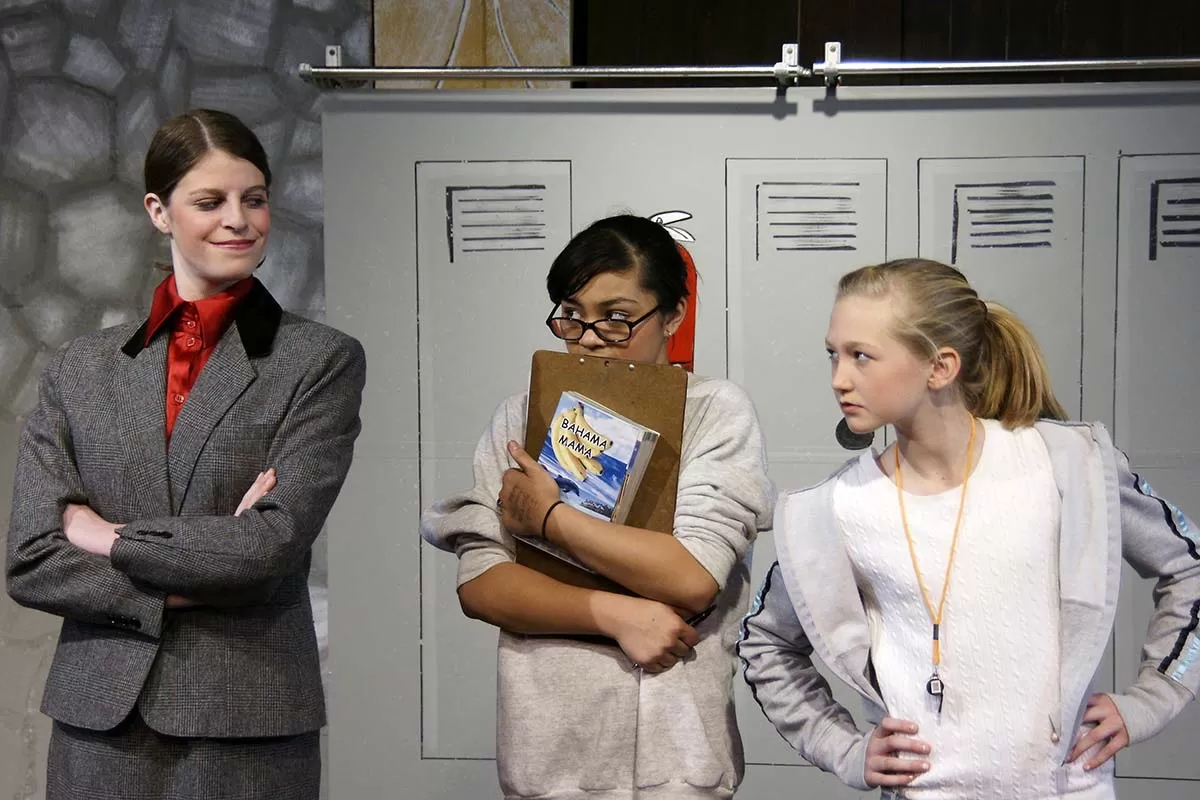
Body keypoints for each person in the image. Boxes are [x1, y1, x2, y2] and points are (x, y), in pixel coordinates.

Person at [738, 258, 1199, 799]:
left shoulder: (1065, 465)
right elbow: (765, 642)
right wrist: (842, 747)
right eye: (833, 354)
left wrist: (1154, 698)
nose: (840, 378)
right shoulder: (835, 508)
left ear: (940, 367)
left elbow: (1190, 568)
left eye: (861, 356)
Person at [6, 108, 366, 800]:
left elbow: (266, 549)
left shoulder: (319, 361)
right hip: (98, 722)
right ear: (159, 212)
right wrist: (209, 567)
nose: (239, 220)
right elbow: (33, 561)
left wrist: (106, 538)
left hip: (247, 720)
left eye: (254, 199)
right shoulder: (79, 369)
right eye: (210, 201)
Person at [421, 214, 773, 800]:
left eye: (616, 317)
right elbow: (483, 585)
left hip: (679, 759)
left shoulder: (715, 411)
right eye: (572, 314)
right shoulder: (520, 417)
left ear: (673, 316)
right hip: (548, 756)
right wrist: (616, 615)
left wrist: (550, 519)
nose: (587, 337)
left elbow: (691, 577)